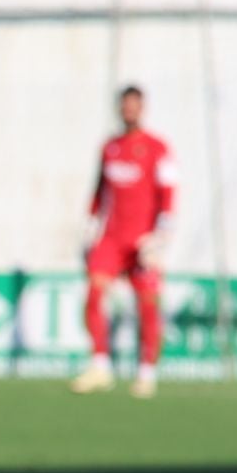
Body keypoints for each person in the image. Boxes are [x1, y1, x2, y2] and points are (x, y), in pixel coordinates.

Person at [70, 85, 174, 400]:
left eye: (135, 106)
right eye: (125, 106)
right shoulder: (110, 147)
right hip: (112, 239)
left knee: (147, 307)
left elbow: (168, 193)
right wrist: (90, 225)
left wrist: (161, 234)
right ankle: (100, 365)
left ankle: (146, 374)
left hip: (142, 242)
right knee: (93, 294)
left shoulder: (157, 148)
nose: (129, 111)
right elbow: (99, 188)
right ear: (119, 108)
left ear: (143, 108)